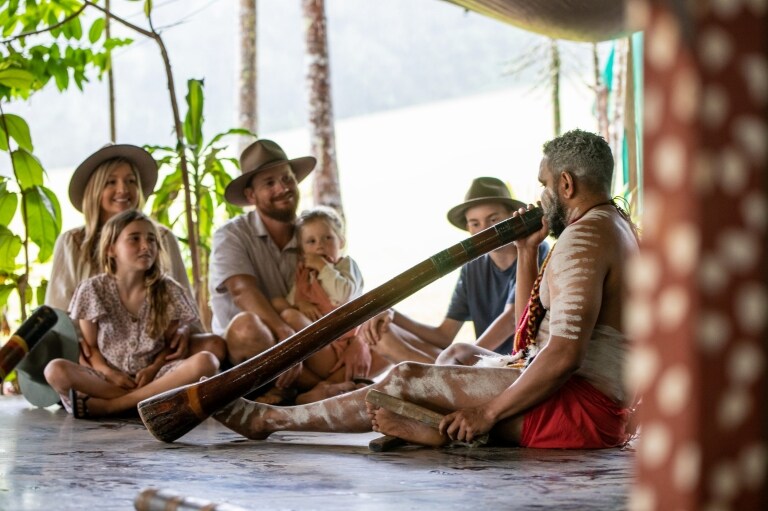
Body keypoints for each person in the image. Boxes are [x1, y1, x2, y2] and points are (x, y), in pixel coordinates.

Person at [213, 129, 639, 449]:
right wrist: (527, 251)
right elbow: (529, 332)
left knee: (404, 379)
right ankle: (428, 428)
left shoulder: (584, 240)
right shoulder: (609, 226)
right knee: (458, 355)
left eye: (545, 185)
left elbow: (564, 354)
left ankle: (270, 421)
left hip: (579, 410)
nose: (542, 196)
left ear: (566, 185)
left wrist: (487, 412)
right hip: (581, 398)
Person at [43, 144, 218, 364]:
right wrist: (88, 353)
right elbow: (58, 316)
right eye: (111, 182)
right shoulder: (73, 243)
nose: (123, 189)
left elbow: (185, 306)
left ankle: (127, 396)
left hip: (159, 355)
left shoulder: (162, 238)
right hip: (94, 356)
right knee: (60, 368)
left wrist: (183, 329)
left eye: (131, 181)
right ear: (95, 191)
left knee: (213, 347)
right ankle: (132, 395)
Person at [43, 210, 221, 418]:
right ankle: (146, 402)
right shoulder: (92, 290)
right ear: (111, 249)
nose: (146, 246)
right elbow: (91, 348)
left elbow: (170, 348)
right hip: (107, 378)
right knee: (55, 370)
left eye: (151, 240)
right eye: (134, 239)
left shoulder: (169, 290)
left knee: (207, 361)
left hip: (156, 377)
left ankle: (115, 406)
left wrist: (154, 368)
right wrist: (110, 373)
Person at [360, 177, 548, 365]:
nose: (486, 230)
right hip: (477, 361)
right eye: (475, 224)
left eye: (494, 219)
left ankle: (447, 375)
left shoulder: (534, 248)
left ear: (511, 217)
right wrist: (391, 313)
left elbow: (513, 320)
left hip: (517, 361)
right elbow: (444, 335)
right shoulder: (473, 267)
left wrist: (465, 357)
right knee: (381, 333)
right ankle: (445, 376)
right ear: (468, 228)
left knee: (456, 354)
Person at [209, 139, 313, 375]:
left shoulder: (310, 233)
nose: (283, 188)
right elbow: (242, 291)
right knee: (248, 328)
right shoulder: (230, 235)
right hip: (248, 353)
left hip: (301, 336)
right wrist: (284, 334)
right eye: (269, 183)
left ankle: (317, 387)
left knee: (376, 323)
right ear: (251, 195)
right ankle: (316, 386)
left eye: (287, 178)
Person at [269, 206, 389, 403]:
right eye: (311, 241)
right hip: (321, 350)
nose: (320, 246)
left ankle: (320, 391)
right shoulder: (303, 275)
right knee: (290, 316)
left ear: (341, 241)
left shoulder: (346, 266)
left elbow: (344, 293)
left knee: (385, 340)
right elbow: (287, 303)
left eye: (328, 238)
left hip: (347, 345)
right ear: (302, 250)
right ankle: (323, 388)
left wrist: (323, 266)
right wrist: (301, 303)